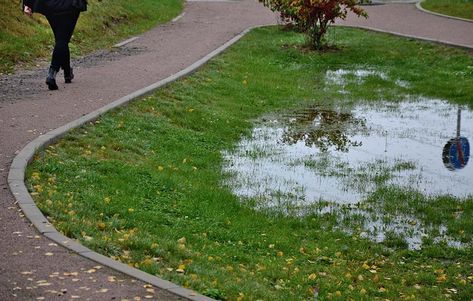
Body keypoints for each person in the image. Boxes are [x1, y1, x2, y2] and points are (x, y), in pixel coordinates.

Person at [23, 0, 87, 90]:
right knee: (62, 39)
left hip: (50, 5)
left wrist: (27, 3)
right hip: (70, 6)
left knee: (61, 38)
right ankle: (52, 73)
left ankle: (67, 72)